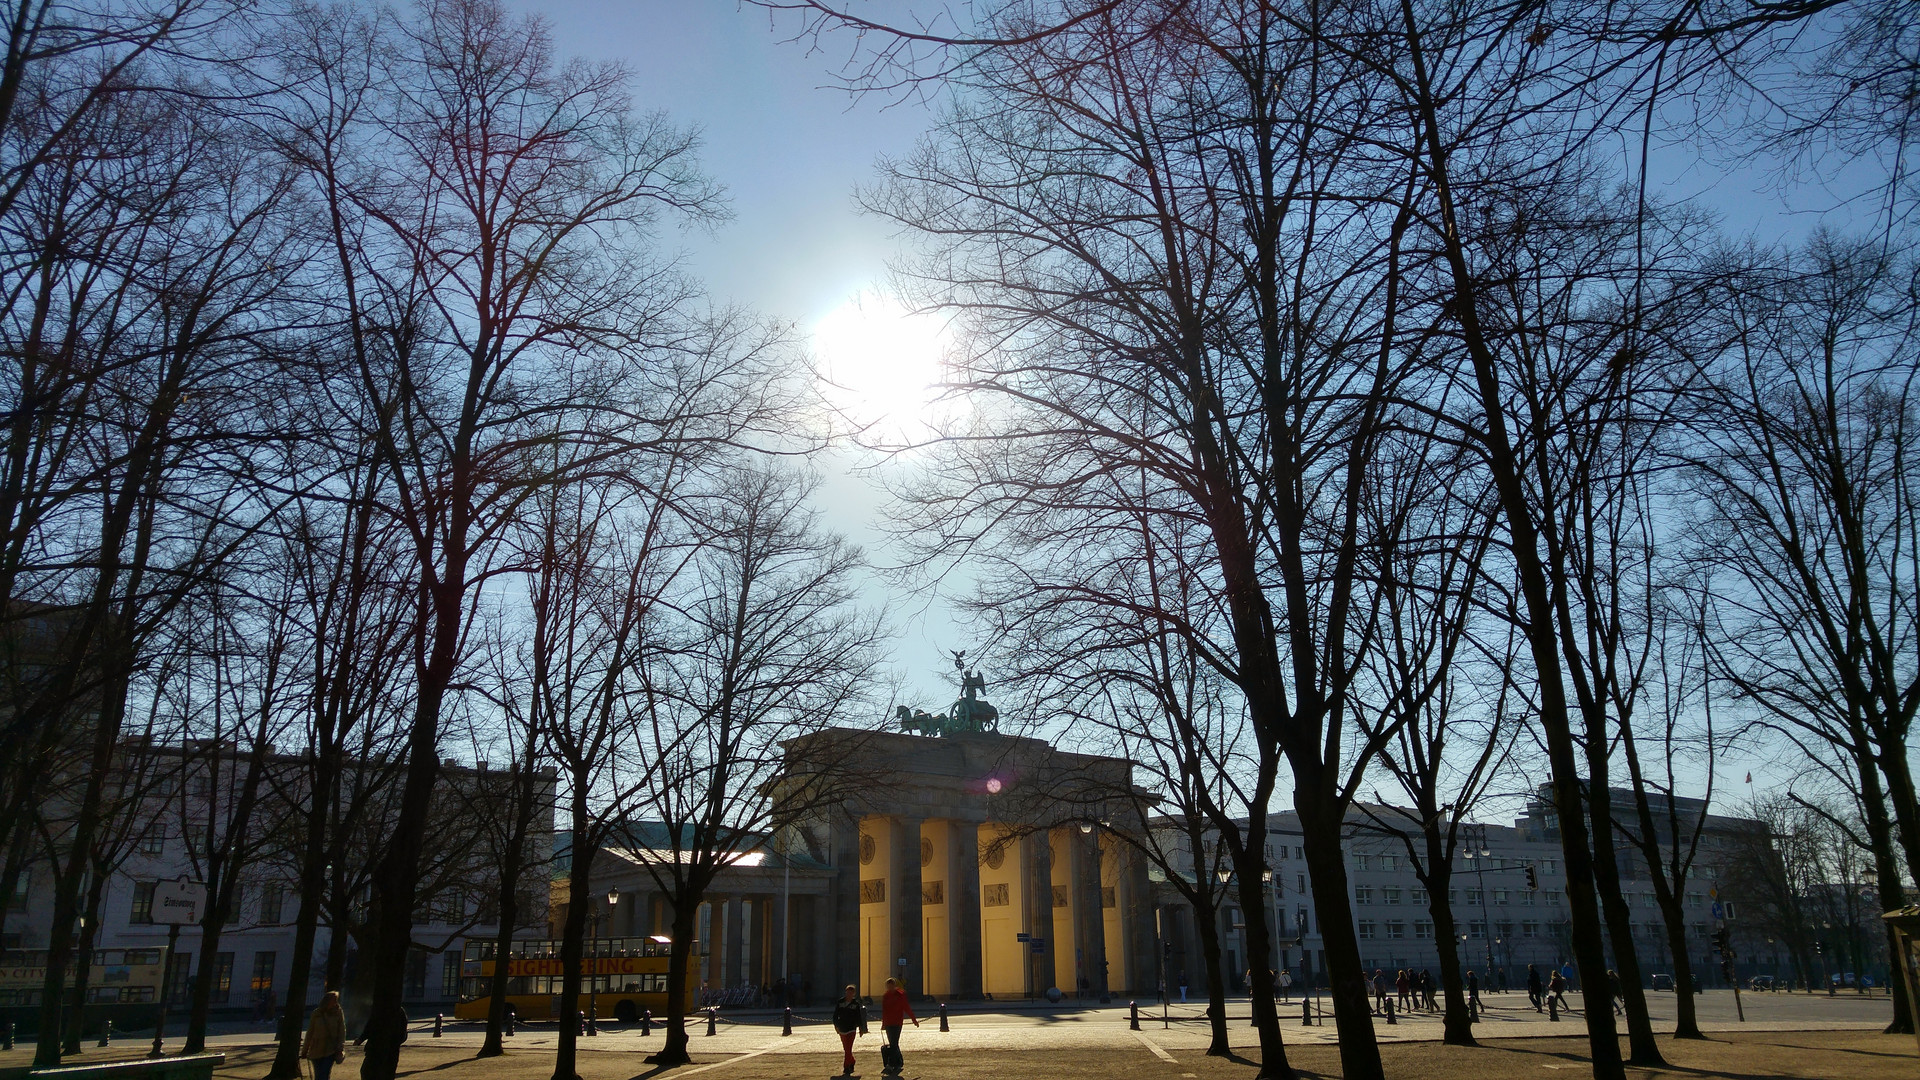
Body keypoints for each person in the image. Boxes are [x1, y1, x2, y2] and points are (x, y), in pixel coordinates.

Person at [301, 991, 347, 1080]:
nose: (335, 1002)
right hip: (316, 1050)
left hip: (330, 1049)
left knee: (324, 1074)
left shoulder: (338, 1013)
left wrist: (340, 1045)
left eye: (336, 1000)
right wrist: (305, 1050)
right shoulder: (316, 1013)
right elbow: (310, 1032)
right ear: (327, 1001)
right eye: (334, 1000)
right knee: (318, 1075)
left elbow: (342, 1030)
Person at [879, 977, 919, 1076]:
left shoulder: (900, 995)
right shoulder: (886, 996)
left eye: (891, 985)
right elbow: (885, 1011)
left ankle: (891, 1064)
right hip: (888, 1023)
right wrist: (883, 1023)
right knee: (893, 1044)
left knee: (894, 1043)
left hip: (897, 1022)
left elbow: (906, 1007)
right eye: (888, 986)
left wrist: (913, 1019)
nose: (889, 988)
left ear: (894, 985)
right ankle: (898, 1062)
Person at [832, 984, 868, 1078]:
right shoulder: (840, 1002)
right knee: (846, 1048)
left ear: (854, 994)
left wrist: (861, 1028)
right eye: (848, 992)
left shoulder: (855, 1004)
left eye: (851, 992)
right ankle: (852, 1061)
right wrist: (836, 1025)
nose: (849, 994)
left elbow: (858, 1017)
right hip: (842, 1027)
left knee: (848, 1048)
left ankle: (846, 1067)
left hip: (852, 1028)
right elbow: (835, 1015)